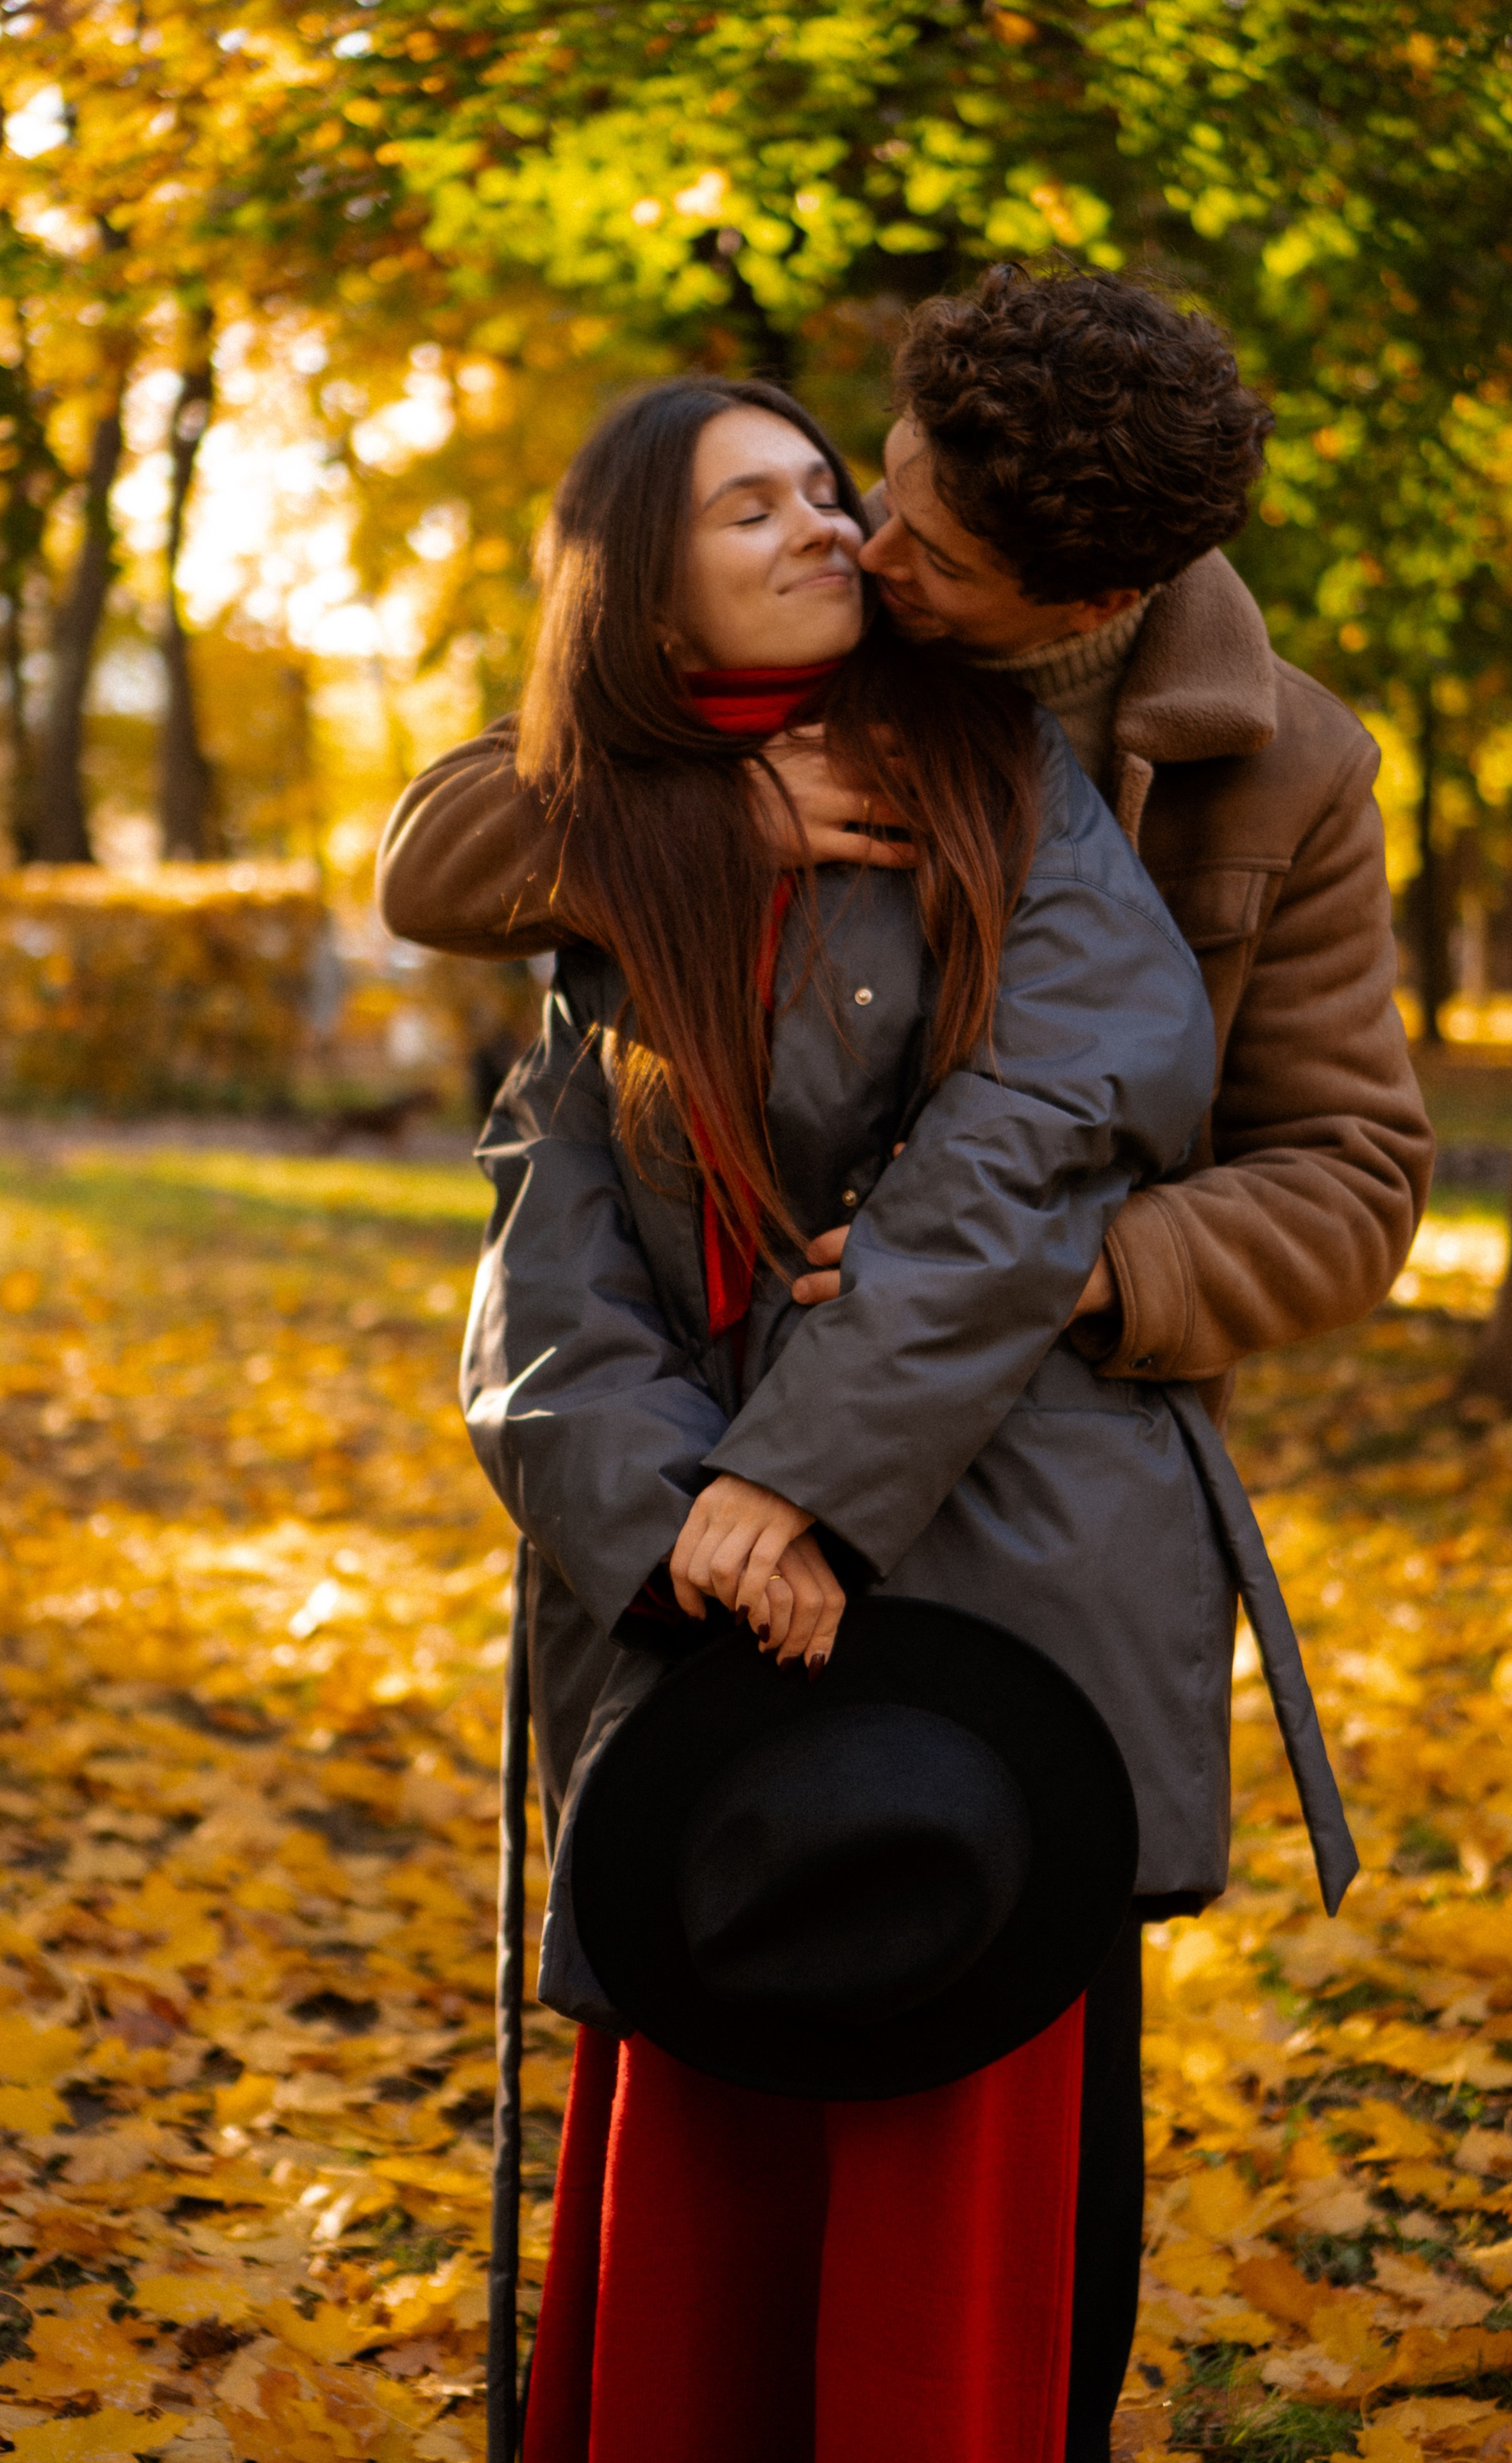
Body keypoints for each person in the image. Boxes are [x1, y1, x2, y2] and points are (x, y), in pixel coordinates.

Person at [435, 372, 1352, 2460]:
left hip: (988, 1591)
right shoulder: (628, 846)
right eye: (756, 508)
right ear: (644, 601)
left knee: (947, 2206)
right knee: (710, 2171)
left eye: (831, 492)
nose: (837, 529)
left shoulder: (1005, 779)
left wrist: (795, 1489)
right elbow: (547, 1262)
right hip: (692, 1622)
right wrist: (669, 1529)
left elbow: (1032, 1152)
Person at [378, 267, 1432, 1430]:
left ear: (1095, 602)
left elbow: (1352, 1178)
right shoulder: (814, 597)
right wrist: (719, 819)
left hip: (1052, 1432)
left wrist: (1064, 1271)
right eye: (887, 486)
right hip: (721, 1379)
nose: (870, 552)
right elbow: (437, 857)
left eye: (937, 557)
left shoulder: (1291, 770)